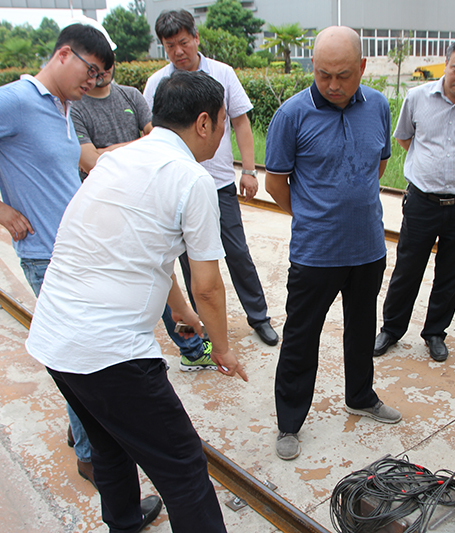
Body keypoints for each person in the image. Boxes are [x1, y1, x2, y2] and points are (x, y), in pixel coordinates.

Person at [26, 70, 247, 533]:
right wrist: (223, 349)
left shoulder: (116, 160)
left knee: (108, 442)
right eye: (223, 123)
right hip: (111, 352)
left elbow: (138, 245)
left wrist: (179, 308)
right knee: (183, 465)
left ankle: (124, 522)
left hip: (53, 335)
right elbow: (209, 285)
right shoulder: (192, 178)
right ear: (204, 123)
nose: (222, 134)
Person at [0, 22, 115, 489]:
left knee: (83, 351)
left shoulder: (63, 106)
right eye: (90, 71)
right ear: (64, 54)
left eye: (99, 76)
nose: (92, 82)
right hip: (46, 256)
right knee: (78, 359)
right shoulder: (15, 100)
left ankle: (81, 433)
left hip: (71, 251)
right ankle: (92, 458)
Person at [264, 26, 402, 461]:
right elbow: (275, 184)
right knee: (301, 337)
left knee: (362, 328)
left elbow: (377, 167)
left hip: (368, 248)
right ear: (313, 67)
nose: (333, 85)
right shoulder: (292, 115)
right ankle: (289, 422)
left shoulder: (378, 106)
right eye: (323, 74)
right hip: (315, 253)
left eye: (343, 75)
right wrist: (313, 214)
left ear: (362, 67)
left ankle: (360, 396)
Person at [143, 9, 279, 360]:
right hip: (177, 189)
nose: (178, 51)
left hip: (218, 184)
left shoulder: (222, 73)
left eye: (183, 42)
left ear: (196, 37)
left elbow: (241, 122)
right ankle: (203, 328)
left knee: (237, 253)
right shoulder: (157, 83)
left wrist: (248, 170)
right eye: (169, 46)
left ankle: (259, 317)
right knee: (190, 262)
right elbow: (150, 132)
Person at [72, 63, 207, 367]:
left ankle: (192, 348)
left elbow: (154, 136)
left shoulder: (130, 96)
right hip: (110, 208)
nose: (100, 73)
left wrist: (112, 150)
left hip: (148, 198)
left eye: (106, 64)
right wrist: (145, 144)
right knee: (133, 286)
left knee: (161, 279)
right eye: (93, 67)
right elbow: (91, 160)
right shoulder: (78, 108)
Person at [373, 39, 455, 363]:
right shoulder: (417, 97)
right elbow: (404, 137)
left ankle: (435, 332)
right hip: (422, 201)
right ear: (445, 65)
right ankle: (391, 329)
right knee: (407, 269)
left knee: (451, 272)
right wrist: (430, 167)